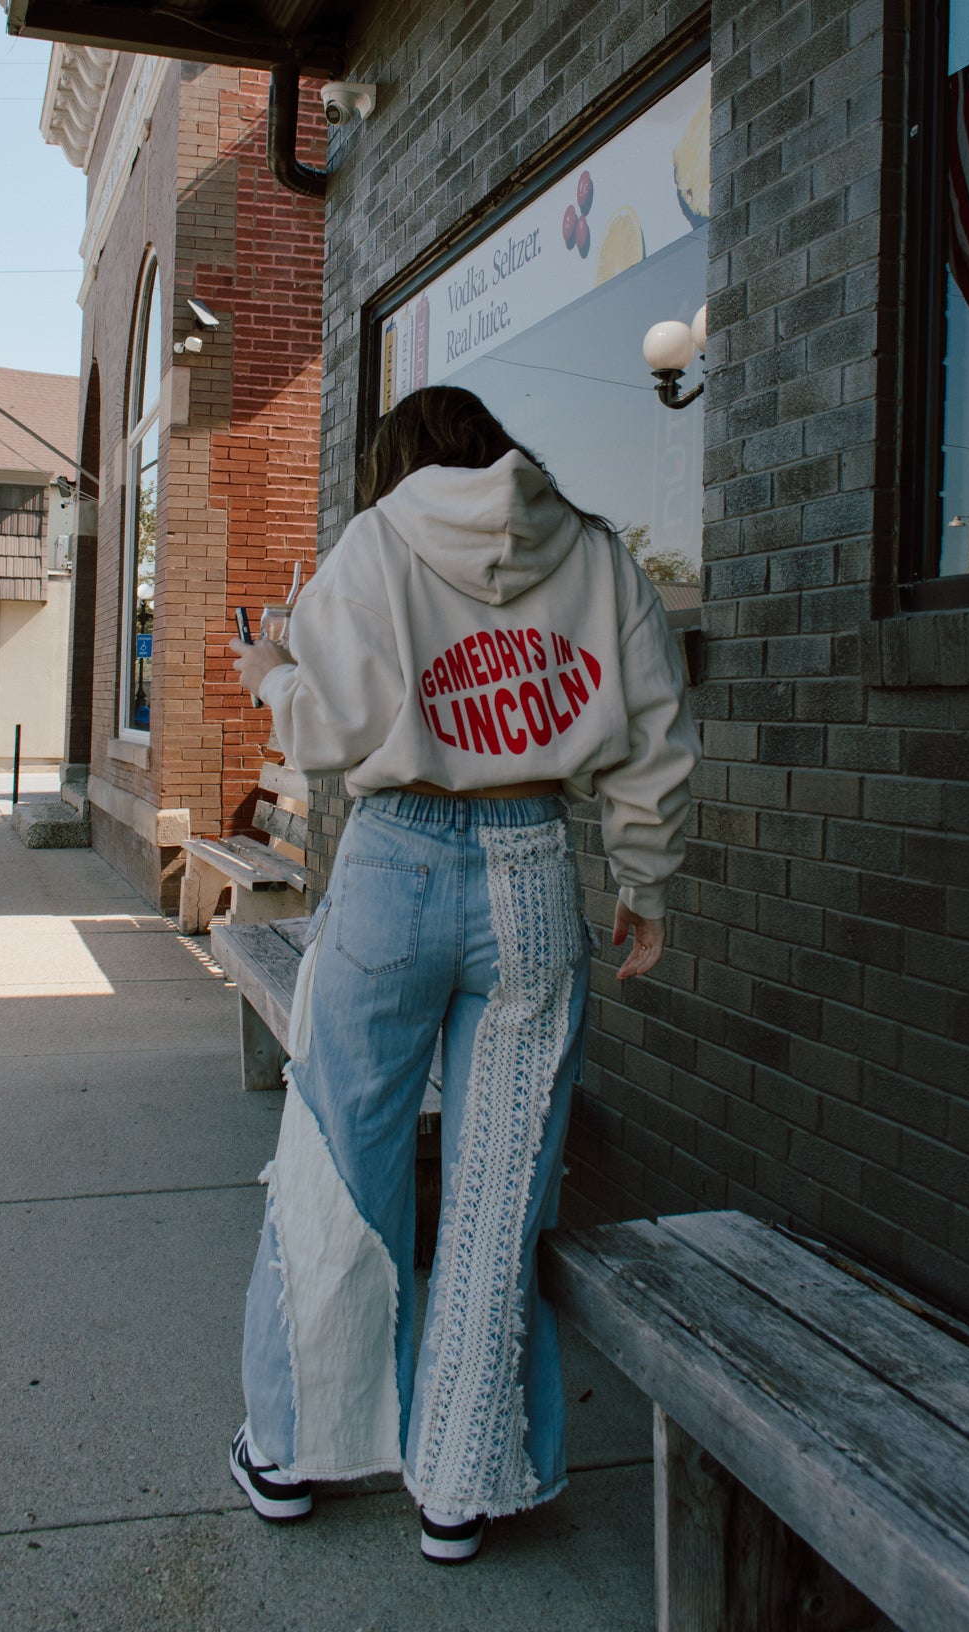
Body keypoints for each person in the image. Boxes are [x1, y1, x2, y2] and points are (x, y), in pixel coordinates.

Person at [228, 385, 699, 1564]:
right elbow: (654, 730)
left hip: (395, 858)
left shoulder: (378, 538)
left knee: (340, 1159)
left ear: (398, 458)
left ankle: (294, 1452)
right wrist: (643, 882)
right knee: (500, 1193)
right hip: (534, 867)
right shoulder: (595, 550)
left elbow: (325, 727)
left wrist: (267, 668)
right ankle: (463, 1481)